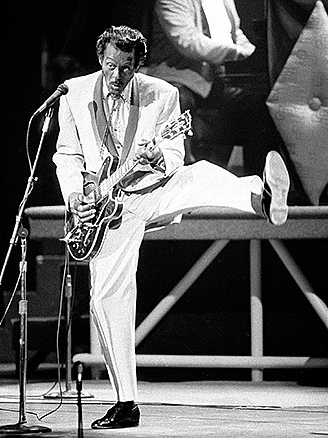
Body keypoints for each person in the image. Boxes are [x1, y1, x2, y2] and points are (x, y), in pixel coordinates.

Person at [52, 25, 289, 430]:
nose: (116, 76)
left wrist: (156, 156)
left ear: (138, 65)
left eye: (126, 69)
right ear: (100, 59)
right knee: (108, 301)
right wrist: (75, 194)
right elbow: (67, 154)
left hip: (147, 190)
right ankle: (126, 403)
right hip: (102, 210)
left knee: (195, 177)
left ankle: (259, 196)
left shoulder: (163, 95)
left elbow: (175, 154)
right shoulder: (72, 94)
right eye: (110, 66)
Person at [143, 0, 272, 173]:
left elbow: (235, 34)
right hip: (179, 80)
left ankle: (257, 187)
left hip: (213, 83)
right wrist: (239, 53)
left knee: (259, 106)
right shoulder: (171, 1)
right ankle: (184, 177)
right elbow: (188, 41)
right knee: (178, 100)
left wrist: (252, 51)